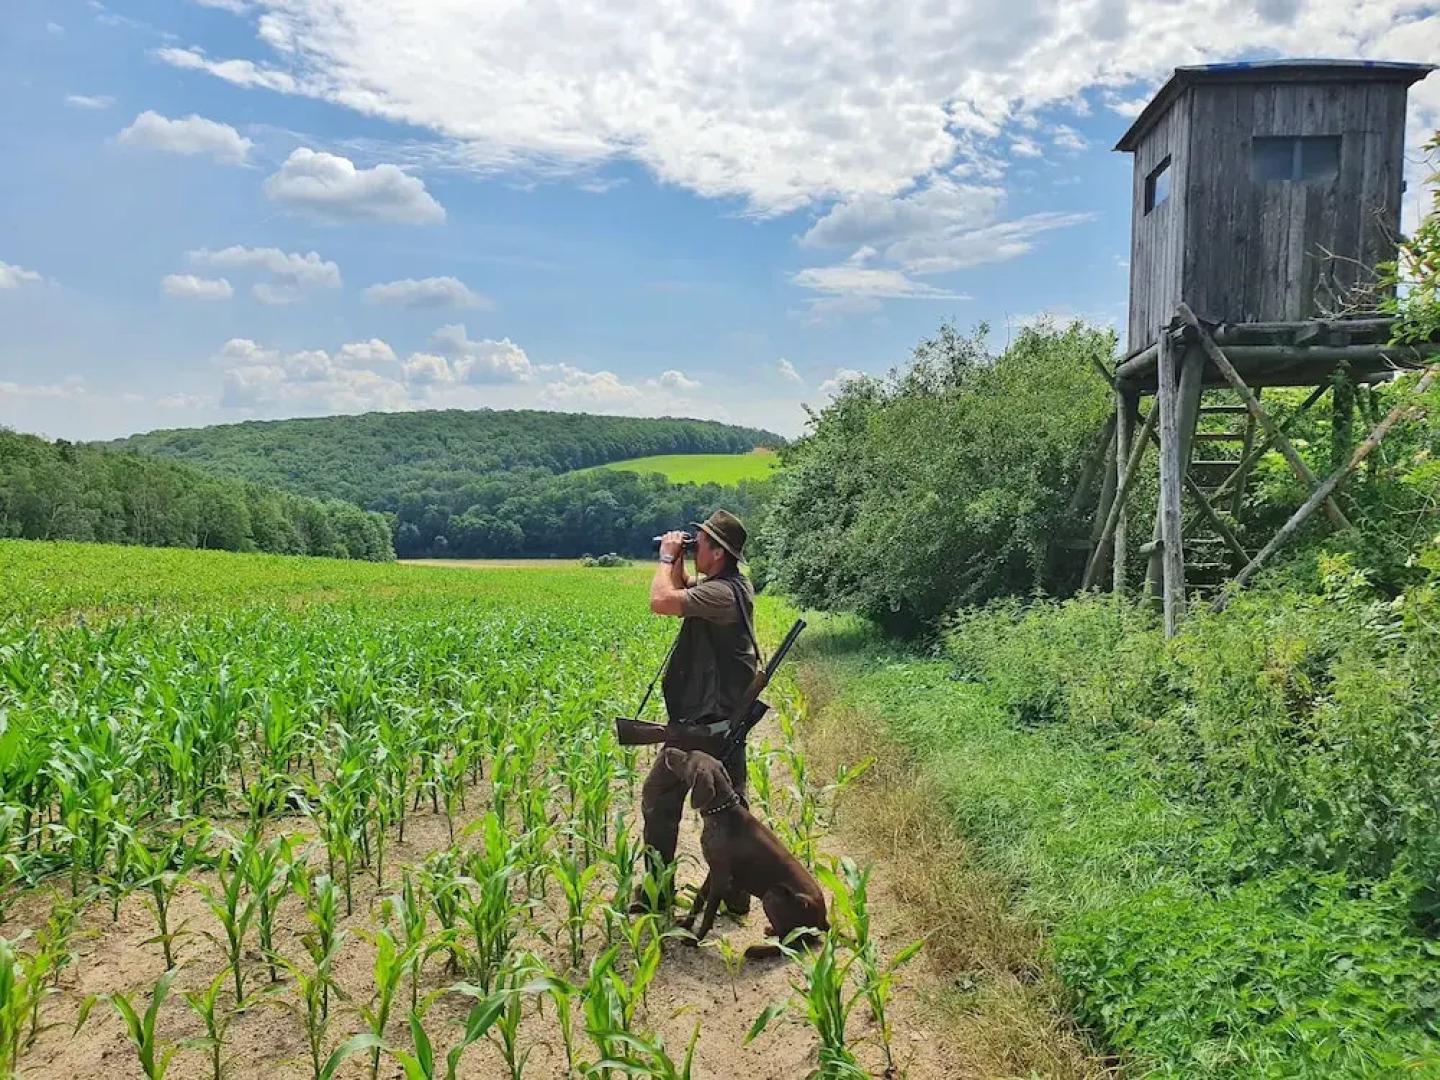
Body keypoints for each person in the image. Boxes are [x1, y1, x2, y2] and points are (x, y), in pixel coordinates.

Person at [630, 509, 759, 916]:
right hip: (708, 724)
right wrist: (682, 562)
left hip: (709, 728)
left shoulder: (721, 595)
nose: (692, 545)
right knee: (712, 804)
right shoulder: (730, 585)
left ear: (718, 553)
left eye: (698, 542)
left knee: (721, 809)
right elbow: (685, 587)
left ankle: (667, 893)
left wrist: (667, 557)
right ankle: (723, 893)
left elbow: (661, 600)